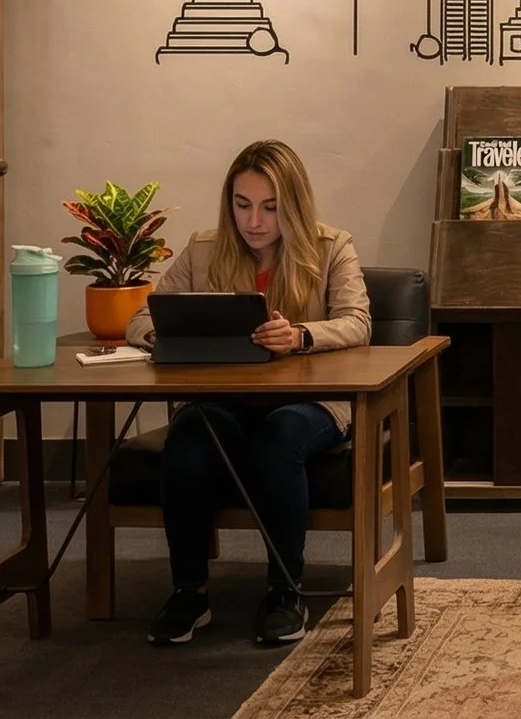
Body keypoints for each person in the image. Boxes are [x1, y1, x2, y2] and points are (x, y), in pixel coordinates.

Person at [125, 139, 370, 648]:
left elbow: (358, 322)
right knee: (190, 436)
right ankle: (189, 593)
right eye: (242, 205)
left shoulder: (332, 247)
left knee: (279, 439)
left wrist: (302, 335)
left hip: (311, 401)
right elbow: (142, 316)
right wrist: (163, 334)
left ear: (293, 206)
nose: (253, 221)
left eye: (269, 207)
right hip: (228, 397)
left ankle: (286, 591)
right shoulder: (203, 248)